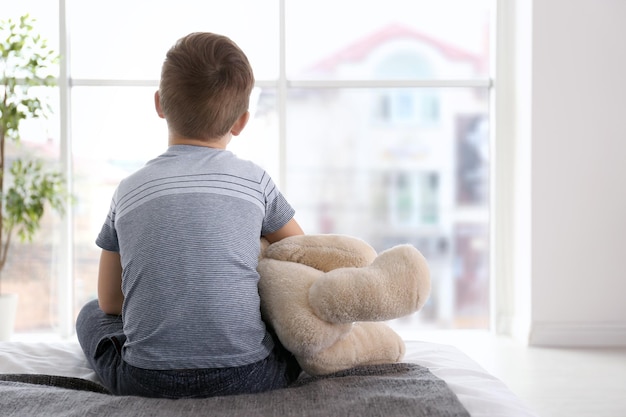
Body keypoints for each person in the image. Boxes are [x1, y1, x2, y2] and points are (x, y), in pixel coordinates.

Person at [76, 32, 304, 398]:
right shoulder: (255, 182)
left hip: (146, 382)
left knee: (89, 313)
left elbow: (110, 302)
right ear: (241, 122)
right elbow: (303, 257)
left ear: (159, 104)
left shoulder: (128, 190)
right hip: (249, 376)